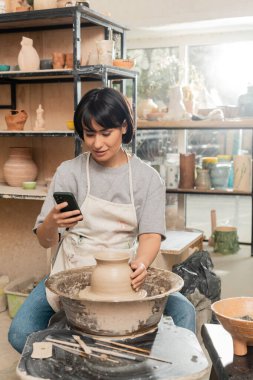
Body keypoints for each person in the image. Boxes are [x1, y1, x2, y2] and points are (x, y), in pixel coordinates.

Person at [8, 87, 195, 353]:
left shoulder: (147, 178)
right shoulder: (69, 172)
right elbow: (44, 239)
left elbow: (151, 234)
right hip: (71, 271)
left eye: (106, 133)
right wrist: (52, 221)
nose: (97, 143)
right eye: (89, 134)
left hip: (125, 274)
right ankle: (76, 362)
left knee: (185, 311)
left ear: (123, 127)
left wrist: (141, 264)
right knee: (20, 332)